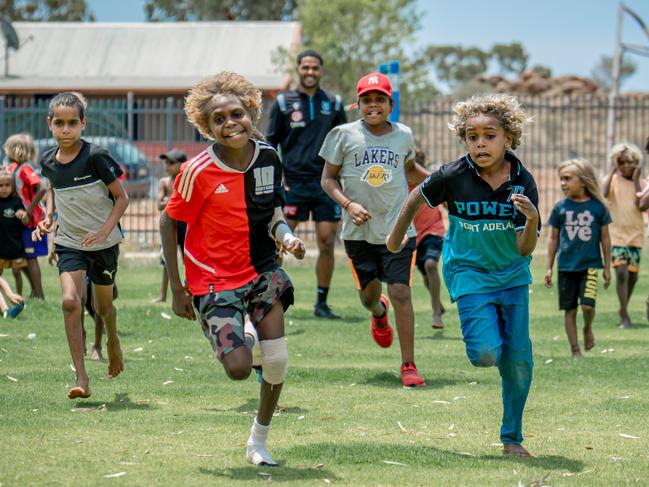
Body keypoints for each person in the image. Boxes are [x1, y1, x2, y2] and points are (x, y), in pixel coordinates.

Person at [160, 72, 305, 466]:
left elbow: (273, 212)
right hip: (212, 277)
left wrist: (288, 237)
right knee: (240, 369)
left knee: (276, 360)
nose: (230, 123)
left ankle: (258, 441)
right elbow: (169, 221)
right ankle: (242, 331)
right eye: (218, 119)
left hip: (261, 268)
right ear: (207, 127)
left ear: (251, 113)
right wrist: (176, 288)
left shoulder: (269, 157)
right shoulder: (197, 171)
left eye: (236, 114)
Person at [387, 94, 540, 456]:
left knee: (519, 364)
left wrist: (532, 219)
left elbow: (524, 248)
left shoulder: (523, 182)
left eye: (490, 135)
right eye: (472, 136)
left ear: (509, 138)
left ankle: (511, 438)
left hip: (513, 275)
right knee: (486, 353)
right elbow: (414, 199)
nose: (480, 143)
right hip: (469, 273)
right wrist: (395, 240)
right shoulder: (452, 176)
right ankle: (497, 346)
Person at [320, 73, 429, 388]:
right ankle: (378, 313)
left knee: (400, 292)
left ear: (390, 104)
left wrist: (440, 183)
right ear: (359, 105)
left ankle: (408, 364)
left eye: (380, 99)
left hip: (397, 229)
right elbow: (328, 179)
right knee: (369, 297)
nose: (373, 105)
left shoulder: (403, 135)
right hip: (358, 233)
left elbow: (409, 169)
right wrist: (348, 204)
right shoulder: (342, 135)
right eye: (366, 100)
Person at [33, 92, 128, 399]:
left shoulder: (96, 156)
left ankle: (112, 342)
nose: (66, 129)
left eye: (72, 123)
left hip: (103, 244)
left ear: (83, 123)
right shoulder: (47, 159)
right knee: (70, 302)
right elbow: (52, 188)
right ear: (49, 124)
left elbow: (122, 198)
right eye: (59, 123)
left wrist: (103, 232)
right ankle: (82, 377)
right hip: (69, 241)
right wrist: (48, 217)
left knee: (103, 307)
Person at [267, 49, 346, 319]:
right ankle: (270, 299)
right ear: (298, 70)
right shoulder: (282, 103)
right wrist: (274, 181)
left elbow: (343, 145)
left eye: (315, 68)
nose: (310, 72)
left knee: (326, 242)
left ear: (321, 71)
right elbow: (270, 145)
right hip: (292, 186)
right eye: (305, 68)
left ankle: (321, 303)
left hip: (326, 185)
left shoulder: (334, 104)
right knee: (280, 243)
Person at [545, 159, 611, 358]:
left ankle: (587, 327)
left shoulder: (599, 208)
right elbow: (553, 239)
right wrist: (549, 267)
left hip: (590, 266)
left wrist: (607, 267)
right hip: (566, 267)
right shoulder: (560, 208)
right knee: (570, 309)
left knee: (587, 306)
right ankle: (575, 350)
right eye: (561, 179)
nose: (563, 183)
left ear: (583, 181)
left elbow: (606, 239)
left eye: (567, 178)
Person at [602, 142, 647, 329]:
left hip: (635, 235)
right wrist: (613, 169)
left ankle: (624, 307)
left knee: (633, 276)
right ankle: (624, 315)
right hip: (616, 235)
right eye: (621, 162)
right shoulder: (611, 180)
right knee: (621, 273)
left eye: (630, 162)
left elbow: (641, 206)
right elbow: (603, 193)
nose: (626, 166)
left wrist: (636, 179)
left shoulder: (643, 183)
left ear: (637, 163)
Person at [4, 133, 46, 299]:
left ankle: (40, 295)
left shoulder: (25, 169)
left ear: (15, 150)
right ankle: (34, 292)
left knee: (31, 257)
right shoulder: (15, 168)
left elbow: (42, 188)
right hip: (23, 222)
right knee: (23, 257)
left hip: (32, 222)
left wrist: (28, 210)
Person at [410, 149, 447, 330]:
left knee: (430, 265)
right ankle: (437, 302)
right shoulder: (400, 184)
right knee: (426, 273)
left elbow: (447, 200)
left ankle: (436, 313)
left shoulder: (430, 182)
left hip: (433, 231)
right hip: (413, 235)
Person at [154, 149, 188, 303]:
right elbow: (159, 204)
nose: (167, 166)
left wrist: (170, 200)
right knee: (168, 261)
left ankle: (191, 290)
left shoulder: (187, 180)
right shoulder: (164, 182)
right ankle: (163, 295)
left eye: (171, 163)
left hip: (185, 224)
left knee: (189, 260)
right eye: (166, 163)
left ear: (181, 164)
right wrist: (174, 200)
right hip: (170, 225)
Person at [0, 168, 28, 318]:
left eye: (7, 185)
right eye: (0, 186)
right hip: (1, 246)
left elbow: (26, 221)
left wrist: (23, 215)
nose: (4, 189)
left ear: (12, 186)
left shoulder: (16, 202)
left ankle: (18, 297)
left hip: (15, 245)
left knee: (17, 272)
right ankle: (6, 306)